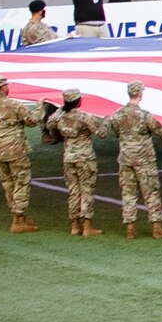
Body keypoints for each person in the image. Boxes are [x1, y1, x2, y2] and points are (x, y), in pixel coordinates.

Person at [109, 81, 162, 240]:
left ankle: (130, 229)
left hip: (126, 158)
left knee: (128, 193)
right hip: (144, 160)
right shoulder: (145, 115)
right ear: (140, 94)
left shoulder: (117, 115)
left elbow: (116, 132)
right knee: (151, 192)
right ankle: (157, 228)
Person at [0, 76, 44, 233]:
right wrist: (40, 107)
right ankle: (18, 220)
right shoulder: (13, 105)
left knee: (8, 184)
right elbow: (32, 121)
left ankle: (18, 216)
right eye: (6, 85)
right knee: (21, 183)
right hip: (16, 150)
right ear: (2, 87)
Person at [46, 87, 107, 237]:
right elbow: (101, 134)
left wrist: (61, 110)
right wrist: (106, 121)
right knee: (86, 190)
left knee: (73, 191)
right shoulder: (84, 117)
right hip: (85, 157)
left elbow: (49, 124)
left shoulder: (59, 117)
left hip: (69, 157)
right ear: (78, 101)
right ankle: (87, 226)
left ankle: (74, 225)